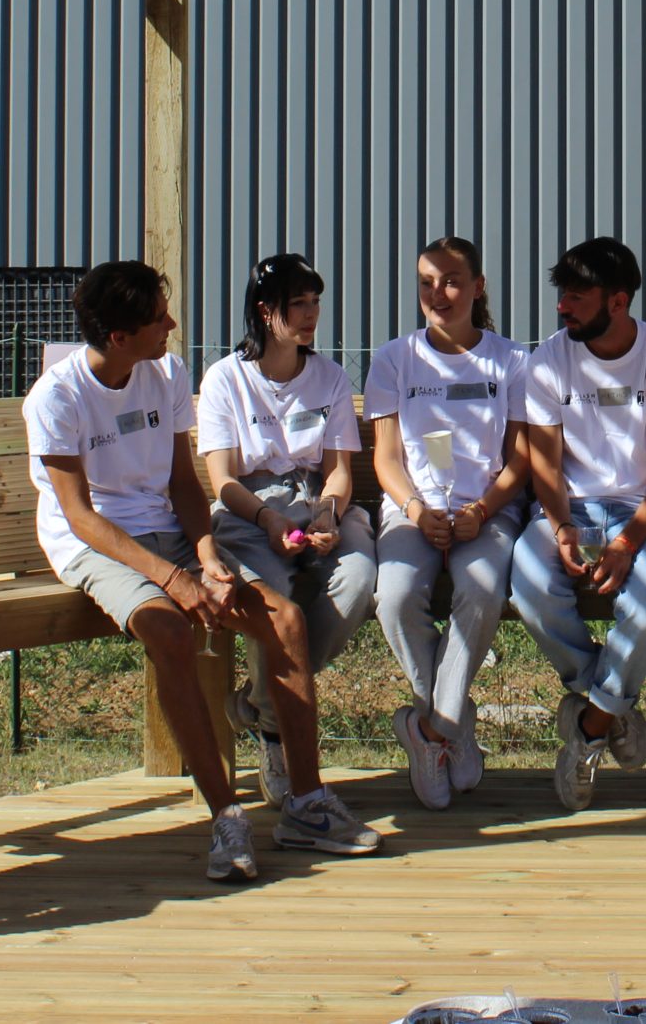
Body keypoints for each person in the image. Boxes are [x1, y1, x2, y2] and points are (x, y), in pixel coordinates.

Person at [24, 258, 314, 880]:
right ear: (119, 337)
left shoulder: (166, 371)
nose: (173, 326)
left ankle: (308, 804)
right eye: (160, 319)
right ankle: (227, 817)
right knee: (169, 630)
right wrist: (172, 579)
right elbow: (80, 518)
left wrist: (205, 555)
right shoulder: (56, 397)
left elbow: (184, 483)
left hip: (171, 535)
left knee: (286, 621)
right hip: (97, 546)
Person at [195, 250, 384, 853]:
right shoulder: (225, 379)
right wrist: (269, 519)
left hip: (314, 503)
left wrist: (328, 513)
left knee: (359, 579)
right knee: (271, 600)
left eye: (315, 302)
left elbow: (338, 471)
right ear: (264, 311)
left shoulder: (329, 377)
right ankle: (278, 736)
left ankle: (259, 707)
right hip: (248, 512)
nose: (310, 315)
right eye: (297, 304)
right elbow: (222, 480)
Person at [507, 236, 646, 810]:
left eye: (577, 296)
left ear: (618, 301)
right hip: (569, 508)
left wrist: (626, 544)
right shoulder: (548, 362)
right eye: (562, 295)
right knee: (528, 585)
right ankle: (609, 700)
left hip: (645, 513)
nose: (562, 307)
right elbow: (545, 464)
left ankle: (589, 728)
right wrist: (562, 527)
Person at [367, 235, 532, 809]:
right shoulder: (395, 359)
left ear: (478, 287)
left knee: (480, 590)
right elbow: (386, 459)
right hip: (411, 512)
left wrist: (481, 510)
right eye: (426, 283)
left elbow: (520, 459)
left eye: (452, 281)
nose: (438, 293)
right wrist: (416, 510)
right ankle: (453, 722)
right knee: (394, 597)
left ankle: (431, 730)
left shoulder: (512, 361)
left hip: (487, 513)